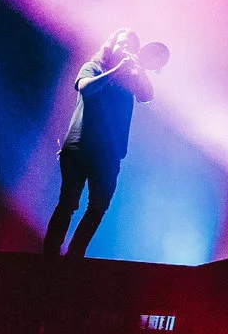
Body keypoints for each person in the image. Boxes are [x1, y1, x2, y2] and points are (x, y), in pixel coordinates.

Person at [44, 30, 158, 257]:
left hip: (109, 154)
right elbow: (86, 88)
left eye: (131, 46)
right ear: (110, 46)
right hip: (79, 147)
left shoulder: (131, 80)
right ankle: (49, 255)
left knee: (98, 207)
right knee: (68, 203)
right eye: (121, 43)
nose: (125, 48)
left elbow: (147, 95)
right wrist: (117, 71)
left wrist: (140, 71)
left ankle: (75, 255)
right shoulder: (93, 67)